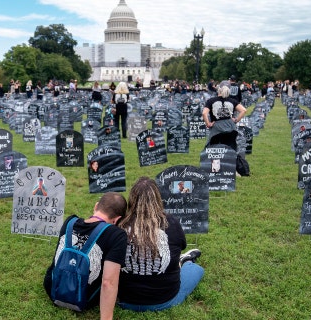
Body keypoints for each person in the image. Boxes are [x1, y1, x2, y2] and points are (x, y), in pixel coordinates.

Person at [117, 177, 204, 312]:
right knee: (195, 269)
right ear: (158, 198)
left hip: (125, 300)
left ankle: (181, 262)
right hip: (165, 300)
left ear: (132, 200)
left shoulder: (120, 225)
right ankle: (185, 262)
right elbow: (181, 245)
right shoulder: (172, 223)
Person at [44, 192, 128, 320]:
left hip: (52, 289)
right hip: (85, 298)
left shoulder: (70, 222)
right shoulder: (116, 235)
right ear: (117, 219)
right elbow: (108, 282)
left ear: (96, 207)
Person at [203, 85, 247, 151]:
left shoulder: (211, 101)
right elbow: (243, 110)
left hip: (217, 126)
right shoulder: (232, 101)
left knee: (212, 147)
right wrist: (236, 120)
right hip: (230, 126)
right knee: (231, 147)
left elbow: (204, 113)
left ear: (218, 91)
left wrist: (208, 123)